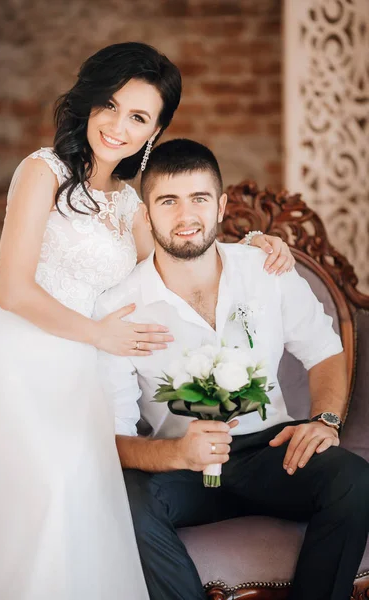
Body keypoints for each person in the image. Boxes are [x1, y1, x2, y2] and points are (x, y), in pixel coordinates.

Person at [0, 44, 294, 600]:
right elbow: (16, 290)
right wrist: (99, 334)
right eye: (111, 106)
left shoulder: (129, 204)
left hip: (93, 364)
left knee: (98, 497)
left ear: (155, 131)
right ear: (89, 103)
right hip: (21, 355)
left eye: (138, 117)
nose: (118, 126)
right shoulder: (41, 171)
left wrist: (252, 245)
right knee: (53, 489)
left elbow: (171, 262)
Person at [94, 138, 369, 600]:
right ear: (146, 214)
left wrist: (324, 419)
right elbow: (115, 441)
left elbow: (325, 350)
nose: (186, 217)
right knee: (127, 503)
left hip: (271, 451)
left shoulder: (266, 268)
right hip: (180, 464)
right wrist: (179, 455)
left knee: (354, 480)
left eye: (199, 198)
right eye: (168, 201)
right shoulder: (118, 307)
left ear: (220, 205)